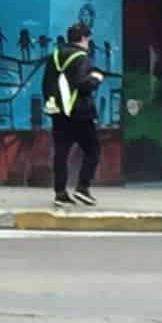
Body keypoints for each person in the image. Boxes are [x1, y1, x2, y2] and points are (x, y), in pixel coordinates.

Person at [41, 22, 104, 207]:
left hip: (59, 113)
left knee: (61, 154)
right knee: (92, 150)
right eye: (88, 38)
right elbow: (83, 85)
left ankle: (60, 193)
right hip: (80, 114)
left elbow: (46, 84)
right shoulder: (82, 57)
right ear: (84, 39)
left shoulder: (55, 55)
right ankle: (82, 188)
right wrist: (96, 77)